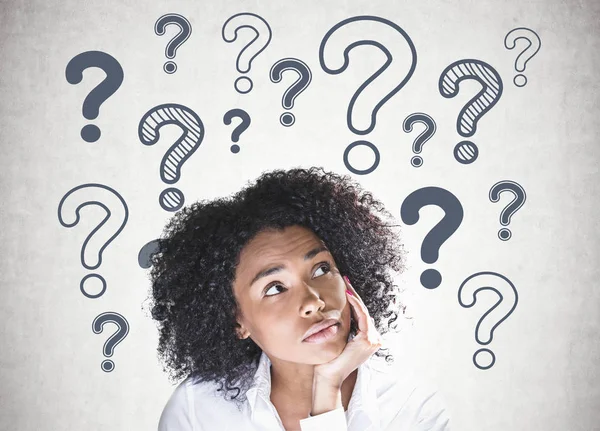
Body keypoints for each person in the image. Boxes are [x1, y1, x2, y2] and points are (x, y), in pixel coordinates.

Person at [147, 166, 451, 430]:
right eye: (275, 288)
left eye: (321, 269)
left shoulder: (410, 410)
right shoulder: (197, 411)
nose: (313, 301)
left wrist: (327, 391)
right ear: (237, 320)